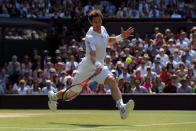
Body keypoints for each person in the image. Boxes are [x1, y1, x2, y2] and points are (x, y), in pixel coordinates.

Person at [48, 10, 135, 119]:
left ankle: (122, 107)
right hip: (87, 68)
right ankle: (54, 97)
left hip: (99, 67)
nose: (98, 24)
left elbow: (107, 41)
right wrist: (98, 65)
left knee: (112, 81)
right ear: (91, 23)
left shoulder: (103, 29)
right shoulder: (89, 37)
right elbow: (93, 56)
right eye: (95, 22)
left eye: (99, 21)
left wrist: (120, 37)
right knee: (72, 93)